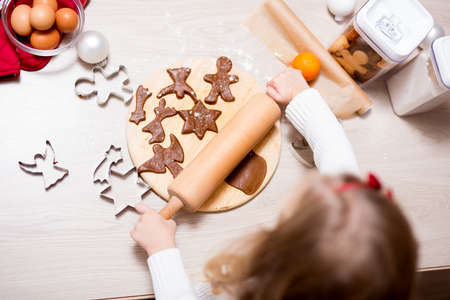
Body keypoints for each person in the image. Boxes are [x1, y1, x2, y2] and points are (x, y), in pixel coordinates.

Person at [131, 68, 418, 300]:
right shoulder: (358, 251)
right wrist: (302, 96)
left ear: (283, 255)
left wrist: (162, 252)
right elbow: (337, 159)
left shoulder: (256, 292)